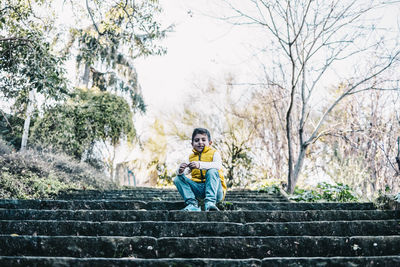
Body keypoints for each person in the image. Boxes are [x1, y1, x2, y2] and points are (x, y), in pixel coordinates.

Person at [173, 128, 227, 211]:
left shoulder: (214, 153)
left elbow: (218, 165)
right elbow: (186, 171)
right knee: (177, 178)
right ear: (192, 144)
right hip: (198, 189)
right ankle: (192, 204)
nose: (200, 142)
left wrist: (200, 164)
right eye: (197, 140)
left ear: (210, 143)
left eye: (203, 140)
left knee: (212, 171)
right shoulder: (191, 157)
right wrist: (181, 170)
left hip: (215, 191)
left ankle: (210, 203)